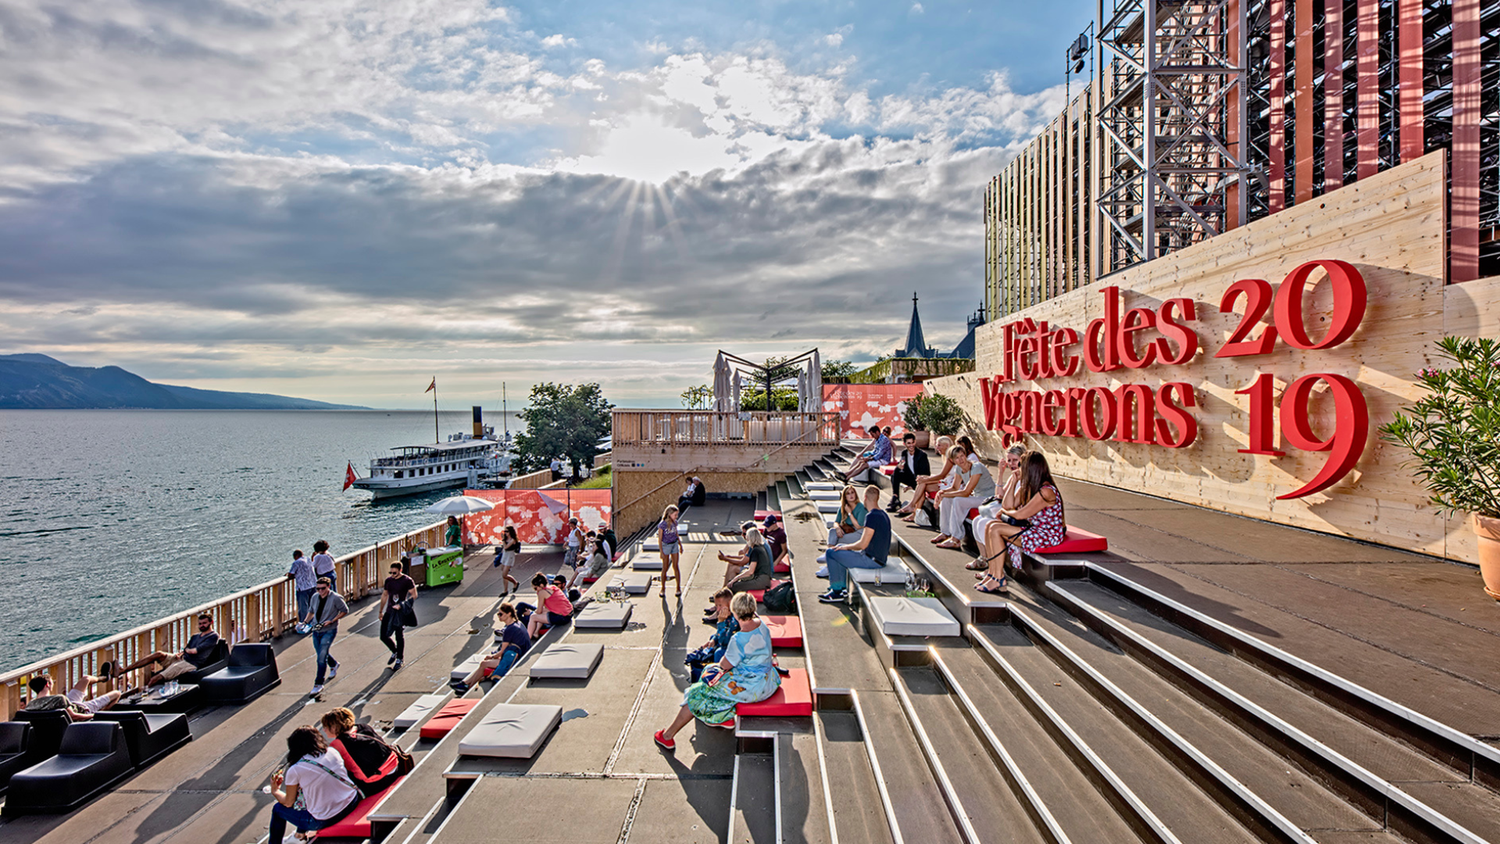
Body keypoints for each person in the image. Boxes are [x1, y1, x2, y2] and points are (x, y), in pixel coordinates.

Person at [655, 593, 780, 750]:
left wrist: (720, 623)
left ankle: (667, 736)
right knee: (709, 674)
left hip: (752, 688)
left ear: (734, 612)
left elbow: (724, 665)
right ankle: (722, 719)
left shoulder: (739, 639)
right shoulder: (762, 624)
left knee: (696, 692)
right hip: (768, 681)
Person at [976, 451, 1067, 595]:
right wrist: (1013, 481)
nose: (1018, 468)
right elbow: (1007, 505)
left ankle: (998, 578)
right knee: (990, 525)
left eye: (1021, 465)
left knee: (996, 529)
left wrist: (1006, 512)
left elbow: (1019, 514)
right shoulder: (1029, 486)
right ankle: (992, 574)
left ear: (1031, 468)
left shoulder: (1046, 491)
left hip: (1047, 535)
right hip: (1034, 529)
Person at [265, 725, 361, 844]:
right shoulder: (332, 751)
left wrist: (275, 791)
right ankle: (299, 836)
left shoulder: (295, 769)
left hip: (327, 818)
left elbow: (288, 802)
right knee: (310, 796)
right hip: (352, 801)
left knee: (278, 810)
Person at [818, 485, 892, 604]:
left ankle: (836, 591)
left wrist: (845, 546)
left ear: (865, 497)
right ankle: (842, 588)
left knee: (831, 552)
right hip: (878, 559)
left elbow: (862, 544)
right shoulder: (883, 514)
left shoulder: (871, 516)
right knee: (840, 553)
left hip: (871, 560)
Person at [112, 613, 221, 686]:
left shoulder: (213, 636)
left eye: (204, 623)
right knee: (158, 654)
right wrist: (183, 652)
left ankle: (145, 694)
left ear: (211, 623)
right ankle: (124, 670)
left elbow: (195, 651)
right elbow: (187, 649)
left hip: (191, 663)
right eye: (200, 624)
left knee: (159, 676)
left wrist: (187, 651)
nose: (202, 626)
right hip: (181, 658)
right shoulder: (195, 636)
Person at [450, 601, 532, 694]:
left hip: (515, 659)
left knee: (484, 664)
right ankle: (465, 683)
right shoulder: (518, 623)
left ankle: (467, 686)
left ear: (509, 614)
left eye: (501, 614)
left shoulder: (509, 629)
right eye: (498, 614)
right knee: (485, 663)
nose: (499, 616)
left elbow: (501, 652)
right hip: (519, 655)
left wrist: (492, 657)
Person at [320, 707, 403, 797]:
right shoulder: (364, 727)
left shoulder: (337, 744)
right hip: (395, 767)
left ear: (334, 727)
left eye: (326, 727)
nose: (324, 730)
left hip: (377, 782)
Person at [969, 445, 1026, 572]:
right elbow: (999, 496)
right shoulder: (1014, 476)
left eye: (1015, 460)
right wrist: (1000, 473)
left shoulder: (1025, 478)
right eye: (1009, 460)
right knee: (977, 520)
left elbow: (1013, 504)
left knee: (985, 523)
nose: (1012, 464)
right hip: (1008, 513)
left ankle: (995, 567)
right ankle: (984, 558)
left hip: (1017, 517)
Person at [932, 443, 997, 550]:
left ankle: (955, 539)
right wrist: (941, 493)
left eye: (962, 456)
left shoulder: (976, 467)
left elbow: (966, 492)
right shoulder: (959, 469)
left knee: (958, 500)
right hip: (977, 497)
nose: (961, 459)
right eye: (957, 458)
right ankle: (945, 532)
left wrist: (944, 494)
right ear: (953, 461)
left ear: (965, 455)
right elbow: (954, 488)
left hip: (989, 498)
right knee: (947, 499)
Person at [305, 577, 349, 696]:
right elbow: (311, 611)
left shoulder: (336, 598)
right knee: (320, 652)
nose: (320, 591)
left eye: (323, 588)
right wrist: (304, 623)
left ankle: (318, 684)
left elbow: (345, 610)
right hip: (316, 629)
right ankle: (334, 664)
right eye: (318, 588)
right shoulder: (315, 597)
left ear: (328, 587)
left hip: (329, 630)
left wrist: (332, 620)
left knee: (321, 657)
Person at [897, 435, 955, 518]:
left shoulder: (950, 457)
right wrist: (924, 478)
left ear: (946, 446)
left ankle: (913, 508)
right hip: (946, 481)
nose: (936, 447)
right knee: (921, 481)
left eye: (939, 445)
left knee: (922, 482)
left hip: (951, 484)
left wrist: (926, 478)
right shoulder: (945, 456)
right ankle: (913, 511)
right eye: (936, 445)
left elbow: (942, 476)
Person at [687, 589, 739, 677]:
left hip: (736, 649)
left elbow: (724, 642)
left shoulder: (734, 619)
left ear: (730, 603)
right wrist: (714, 639)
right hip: (730, 643)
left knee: (718, 652)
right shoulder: (728, 614)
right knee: (712, 639)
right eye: (716, 606)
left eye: (720, 605)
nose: (718, 609)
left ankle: (718, 676)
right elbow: (720, 635)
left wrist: (721, 623)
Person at [25, 674, 122, 721]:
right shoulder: (59, 698)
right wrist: (96, 715)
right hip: (83, 709)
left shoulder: (30, 705)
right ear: (47, 685)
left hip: (70, 703)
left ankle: (103, 677)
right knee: (117, 693)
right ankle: (104, 712)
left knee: (86, 679)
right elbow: (74, 715)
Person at [818, 484, 868, 570]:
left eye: (852, 493)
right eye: (848, 494)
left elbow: (859, 526)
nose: (851, 495)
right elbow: (836, 522)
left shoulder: (861, 507)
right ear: (845, 497)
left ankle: (828, 562)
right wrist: (838, 528)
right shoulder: (843, 507)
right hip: (848, 531)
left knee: (837, 541)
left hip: (859, 533)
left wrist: (850, 513)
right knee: (832, 531)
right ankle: (829, 557)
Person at [717, 526, 774, 599]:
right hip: (762, 579)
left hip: (761, 581)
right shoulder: (760, 547)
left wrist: (735, 579)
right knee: (734, 582)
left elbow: (750, 571)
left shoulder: (756, 550)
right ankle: (722, 597)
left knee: (733, 586)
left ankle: (724, 601)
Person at [379, 562, 417, 670]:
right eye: (390, 572)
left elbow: (414, 595)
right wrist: (380, 611)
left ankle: (400, 658)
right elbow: (385, 595)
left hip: (400, 612)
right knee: (383, 636)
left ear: (400, 570)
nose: (392, 575)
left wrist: (401, 605)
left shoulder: (407, 581)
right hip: (389, 610)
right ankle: (395, 651)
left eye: (394, 573)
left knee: (399, 635)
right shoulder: (389, 581)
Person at [888, 432, 932, 511]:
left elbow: (925, 474)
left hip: (919, 480)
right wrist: (899, 467)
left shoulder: (922, 455)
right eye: (909, 443)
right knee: (895, 473)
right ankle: (895, 497)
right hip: (910, 477)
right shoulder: (904, 453)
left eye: (913, 442)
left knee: (918, 479)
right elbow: (901, 467)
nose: (911, 445)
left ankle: (905, 503)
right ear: (904, 443)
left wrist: (913, 485)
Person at [526, 572, 572, 639]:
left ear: (541, 585)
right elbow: (545, 609)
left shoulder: (542, 592)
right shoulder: (553, 587)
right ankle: (535, 632)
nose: (536, 591)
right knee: (542, 612)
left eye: (536, 588)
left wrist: (533, 612)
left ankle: (527, 639)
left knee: (533, 617)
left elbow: (539, 611)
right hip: (569, 614)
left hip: (563, 617)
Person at [658, 504, 683, 597]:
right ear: (669, 514)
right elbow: (660, 539)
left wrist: (680, 544)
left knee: (676, 566)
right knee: (665, 567)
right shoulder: (662, 525)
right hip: (666, 545)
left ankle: (678, 587)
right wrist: (661, 551)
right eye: (675, 515)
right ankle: (663, 588)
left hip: (674, 544)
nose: (676, 517)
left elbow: (676, 533)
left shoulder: (674, 523)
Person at [287, 549, 317, 625]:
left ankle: (304, 624)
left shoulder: (296, 563)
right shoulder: (308, 559)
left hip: (303, 587)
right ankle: (313, 621)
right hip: (312, 585)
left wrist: (288, 574)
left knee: (303, 607)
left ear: (295, 556)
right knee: (312, 605)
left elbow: (291, 574)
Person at [493, 526, 522, 594]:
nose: (505, 533)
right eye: (505, 531)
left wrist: (503, 540)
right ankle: (505, 590)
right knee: (503, 572)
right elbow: (504, 548)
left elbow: (506, 547)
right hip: (504, 555)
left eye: (507, 532)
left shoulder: (512, 540)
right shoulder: (506, 539)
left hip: (509, 556)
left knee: (504, 574)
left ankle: (515, 582)